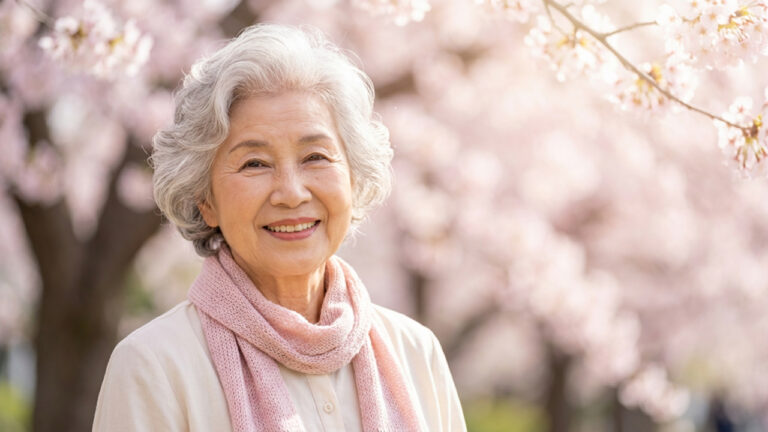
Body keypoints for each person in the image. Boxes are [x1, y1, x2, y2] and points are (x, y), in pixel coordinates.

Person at [92, 24, 466, 432]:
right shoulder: (155, 366)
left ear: (353, 177)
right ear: (205, 200)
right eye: (255, 163)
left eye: (315, 157)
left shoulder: (415, 353)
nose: (291, 193)